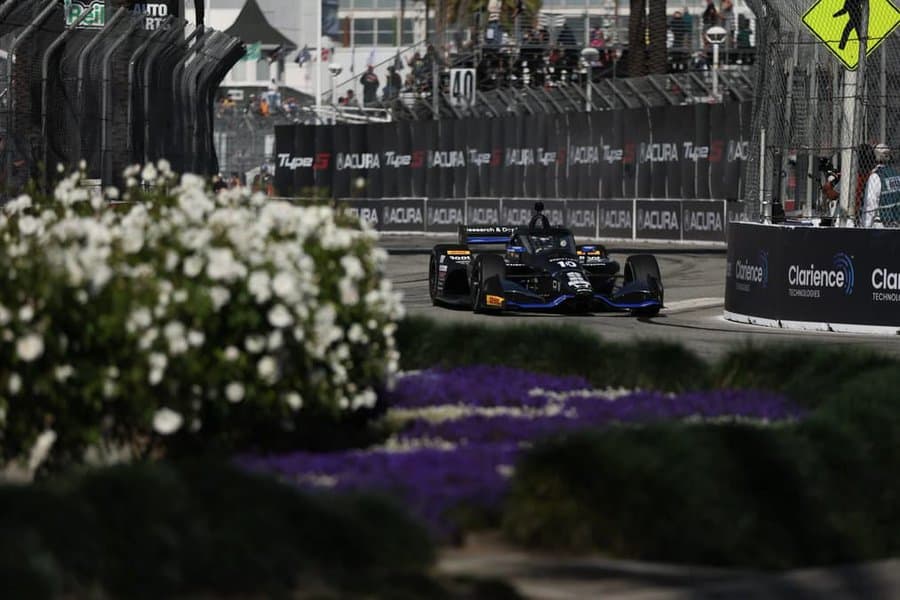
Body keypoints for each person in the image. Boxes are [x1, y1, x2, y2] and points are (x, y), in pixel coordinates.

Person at [862, 144, 900, 227]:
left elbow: (870, 203)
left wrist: (866, 225)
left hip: (881, 223)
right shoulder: (896, 174)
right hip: (896, 221)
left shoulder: (876, 176)